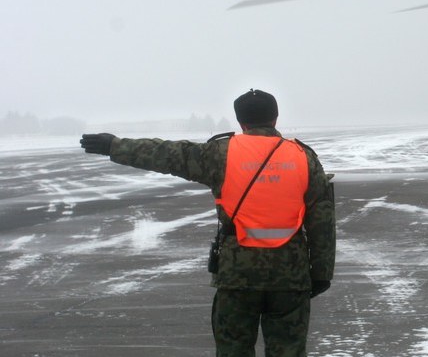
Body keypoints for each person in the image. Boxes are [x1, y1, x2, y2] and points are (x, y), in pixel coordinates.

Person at [80, 89, 335, 356]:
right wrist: (321, 273)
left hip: (236, 275)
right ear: (275, 118)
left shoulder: (221, 153)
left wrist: (115, 146)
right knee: (289, 351)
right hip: (290, 276)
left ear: (241, 122)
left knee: (233, 350)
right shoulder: (303, 158)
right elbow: (322, 221)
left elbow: (168, 154)